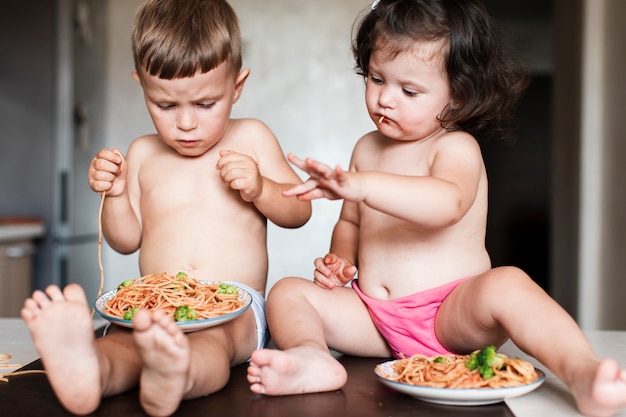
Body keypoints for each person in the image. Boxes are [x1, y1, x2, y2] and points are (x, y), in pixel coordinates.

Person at [247, 1, 626, 416]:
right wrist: (341, 258)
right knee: (287, 292)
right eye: (376, 79)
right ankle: (312, 357)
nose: (385, 99)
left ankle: (582, 372)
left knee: (509, 284)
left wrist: (361, 185)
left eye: (409, 91)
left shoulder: (455, 147)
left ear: (458, 96)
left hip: (450, 315)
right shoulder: (366, 148)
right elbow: (351, 221)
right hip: (374, 319)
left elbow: (446, 204)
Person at [20, 0, 311, 416]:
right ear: (142, 86)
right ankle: (93, 372)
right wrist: (117, 192)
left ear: (237, 86)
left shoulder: (252, 137)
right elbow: (124, 242)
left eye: (205, 104)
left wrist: (262, 188)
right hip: (152, 303)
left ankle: (177, 374)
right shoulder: (142, 152)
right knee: (124, 341)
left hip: (234, 305)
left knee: (214, 344)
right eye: (166, 106)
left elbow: (299, 213)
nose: (186, 124)